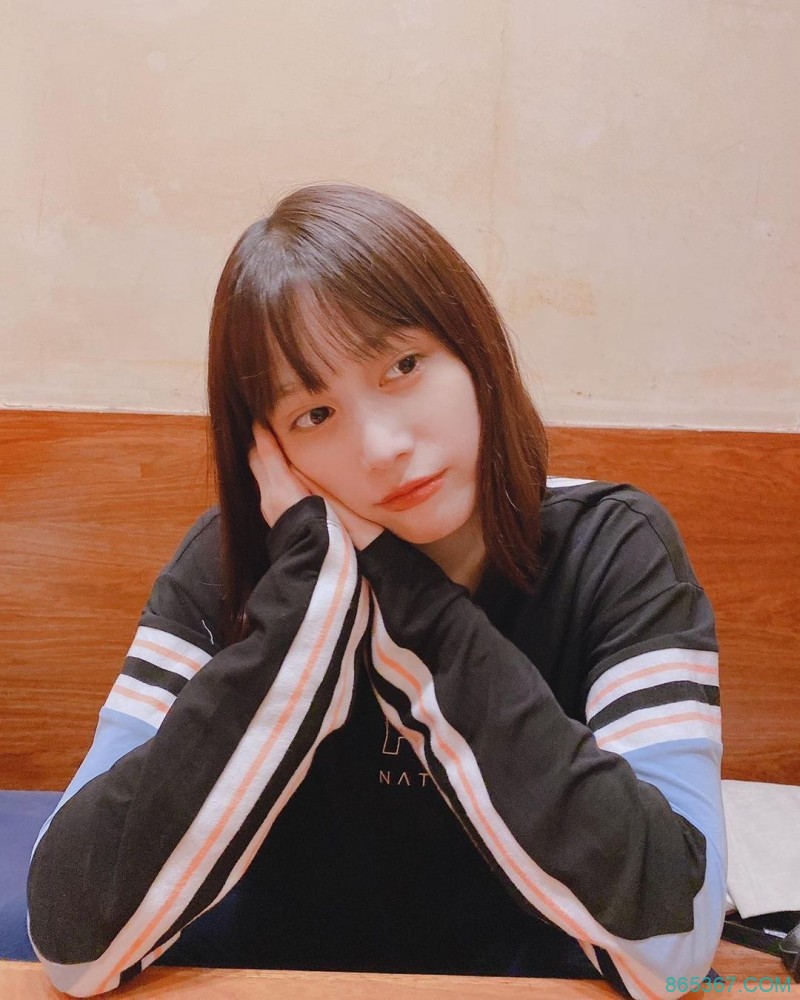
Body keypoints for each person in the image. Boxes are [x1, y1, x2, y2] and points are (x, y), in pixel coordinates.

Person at [26, 183, 727, 998]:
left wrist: (407, 600)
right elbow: (73, 944)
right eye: (314, 414)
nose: (384, 446)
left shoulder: (614, 550)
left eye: (403, 366)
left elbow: (678, 945)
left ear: (474, 348)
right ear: (266, 453)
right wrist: (303, 613)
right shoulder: (225, 567)